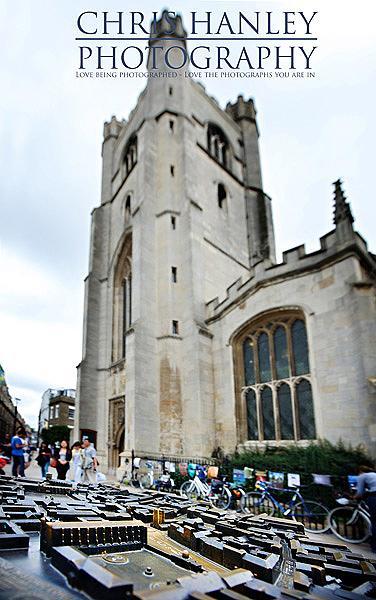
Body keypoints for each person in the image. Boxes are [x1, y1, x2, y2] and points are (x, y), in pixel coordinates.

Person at [355, 465, 376, 553]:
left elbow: (359, 493)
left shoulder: (362, 476)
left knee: (374, 521)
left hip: (374, 496)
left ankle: (375, 547)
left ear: (360, 471)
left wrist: (353, 497)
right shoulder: (374, 474)